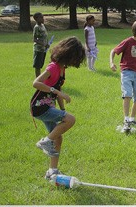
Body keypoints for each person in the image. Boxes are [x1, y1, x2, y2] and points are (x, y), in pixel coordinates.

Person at [30, 37, 86, 180]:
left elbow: (58, 87)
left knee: (58, 138)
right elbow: (36, 83)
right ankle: (45, 142)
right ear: (68, 53)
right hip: (39, 107)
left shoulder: (62, 69)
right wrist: (57, 93)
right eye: (76, 57)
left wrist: (62, 109)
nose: (76, 61)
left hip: (48, 106)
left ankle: (52, 171)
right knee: (71, 119)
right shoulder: (53, 67)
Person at [33, 12, 49, 77]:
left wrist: (47, 44)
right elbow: (35, 39)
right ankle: (38, 81)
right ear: (36, 19)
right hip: (38, 49)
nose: (43, 19)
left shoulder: (42, 26)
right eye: (41, 17)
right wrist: (43, 44)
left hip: (43, 49)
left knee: (41, 65)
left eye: (43, 17)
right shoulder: (36, 27)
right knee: (37, 66)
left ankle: (40, 80)